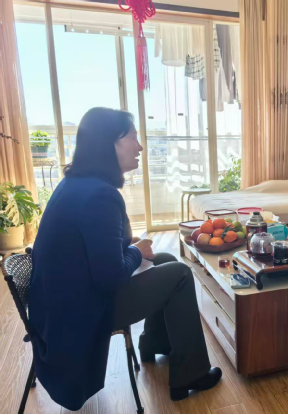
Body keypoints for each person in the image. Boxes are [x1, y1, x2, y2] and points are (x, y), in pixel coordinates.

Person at [29, 108, 222, 411]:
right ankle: (190, 374)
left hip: (65, 303)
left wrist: (132, 249)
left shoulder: (77, 184)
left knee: (165, 259)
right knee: (180, 273)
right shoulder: (100, 196)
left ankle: (154, 343)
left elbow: (91, 250)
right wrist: (136, 251)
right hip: (84, 312)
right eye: (133, 138)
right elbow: (109, 276)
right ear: (111, 143)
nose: (140, 147)